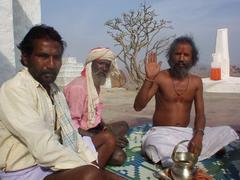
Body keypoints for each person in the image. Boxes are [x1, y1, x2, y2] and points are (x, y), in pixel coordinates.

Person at [0, 24, 123, 180]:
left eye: (56, 58)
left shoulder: (54, 90)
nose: (51, 65)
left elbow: (71, 133)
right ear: (25, 58)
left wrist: (90, 162)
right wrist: (88, 167)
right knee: (91, 175)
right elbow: (44, 148)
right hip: (25, 170)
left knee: (106, 157)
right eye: (43, 56)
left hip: (51, 160)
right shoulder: (15, 89)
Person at [133, 36, 239, 167]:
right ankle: (190, 154)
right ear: (171, 56)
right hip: (161, 133)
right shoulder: (160, 77)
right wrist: (148, 79)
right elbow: (138, 106)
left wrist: (198, 136)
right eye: (177, 54)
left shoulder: (196, 82)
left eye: (186, 55)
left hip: (186, 133)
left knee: (226, 131)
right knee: (156, 145)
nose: (181, 58)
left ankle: (189, 150)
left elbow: (200, 114)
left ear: (192, 59)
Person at [64, 47, 129, 166]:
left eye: (107, 65)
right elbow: (70, 126)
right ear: (91, 64)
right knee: (119, 157)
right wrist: (104, 137)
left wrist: (106, 128)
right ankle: (94, 156)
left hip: (92, 129)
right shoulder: (78, 87)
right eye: (101, 64)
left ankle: (107, 142)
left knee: (123, 125)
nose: (104, 68)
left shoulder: (94, 84)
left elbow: (93, 112)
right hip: (79, 135)